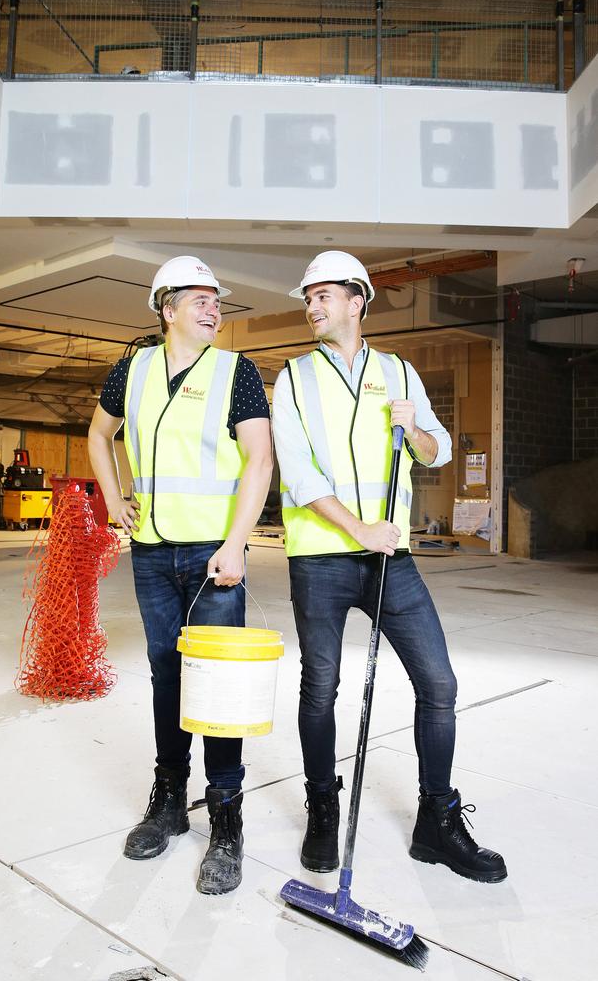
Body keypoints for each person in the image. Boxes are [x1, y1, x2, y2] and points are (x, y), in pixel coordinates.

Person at [272, 250, 506, 883]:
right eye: (308, 296)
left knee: (440, 685)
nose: (312, 306)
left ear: (357, 300)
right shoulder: (293, 377)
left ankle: (437, 820)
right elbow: (298, 473)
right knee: (321, 686)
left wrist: (417, 430)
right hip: (321, 558)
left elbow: (438, 450)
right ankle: (323, 806)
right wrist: (358, 528)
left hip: (391, 561)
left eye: (323, 296)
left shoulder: (400, 373)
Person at [88, 255, 272, 895]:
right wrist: (114, 500)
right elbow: (98, 434)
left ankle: (226, 821)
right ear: (166, 309)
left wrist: (238, 543)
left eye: (216, 300)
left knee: (217, 684)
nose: (212, 308)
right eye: (198, 299)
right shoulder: (133, 369)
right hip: (151, 550)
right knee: (166, 671)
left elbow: (259, 460)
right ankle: (169, 800)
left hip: (212, 555)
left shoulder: (236, 370)